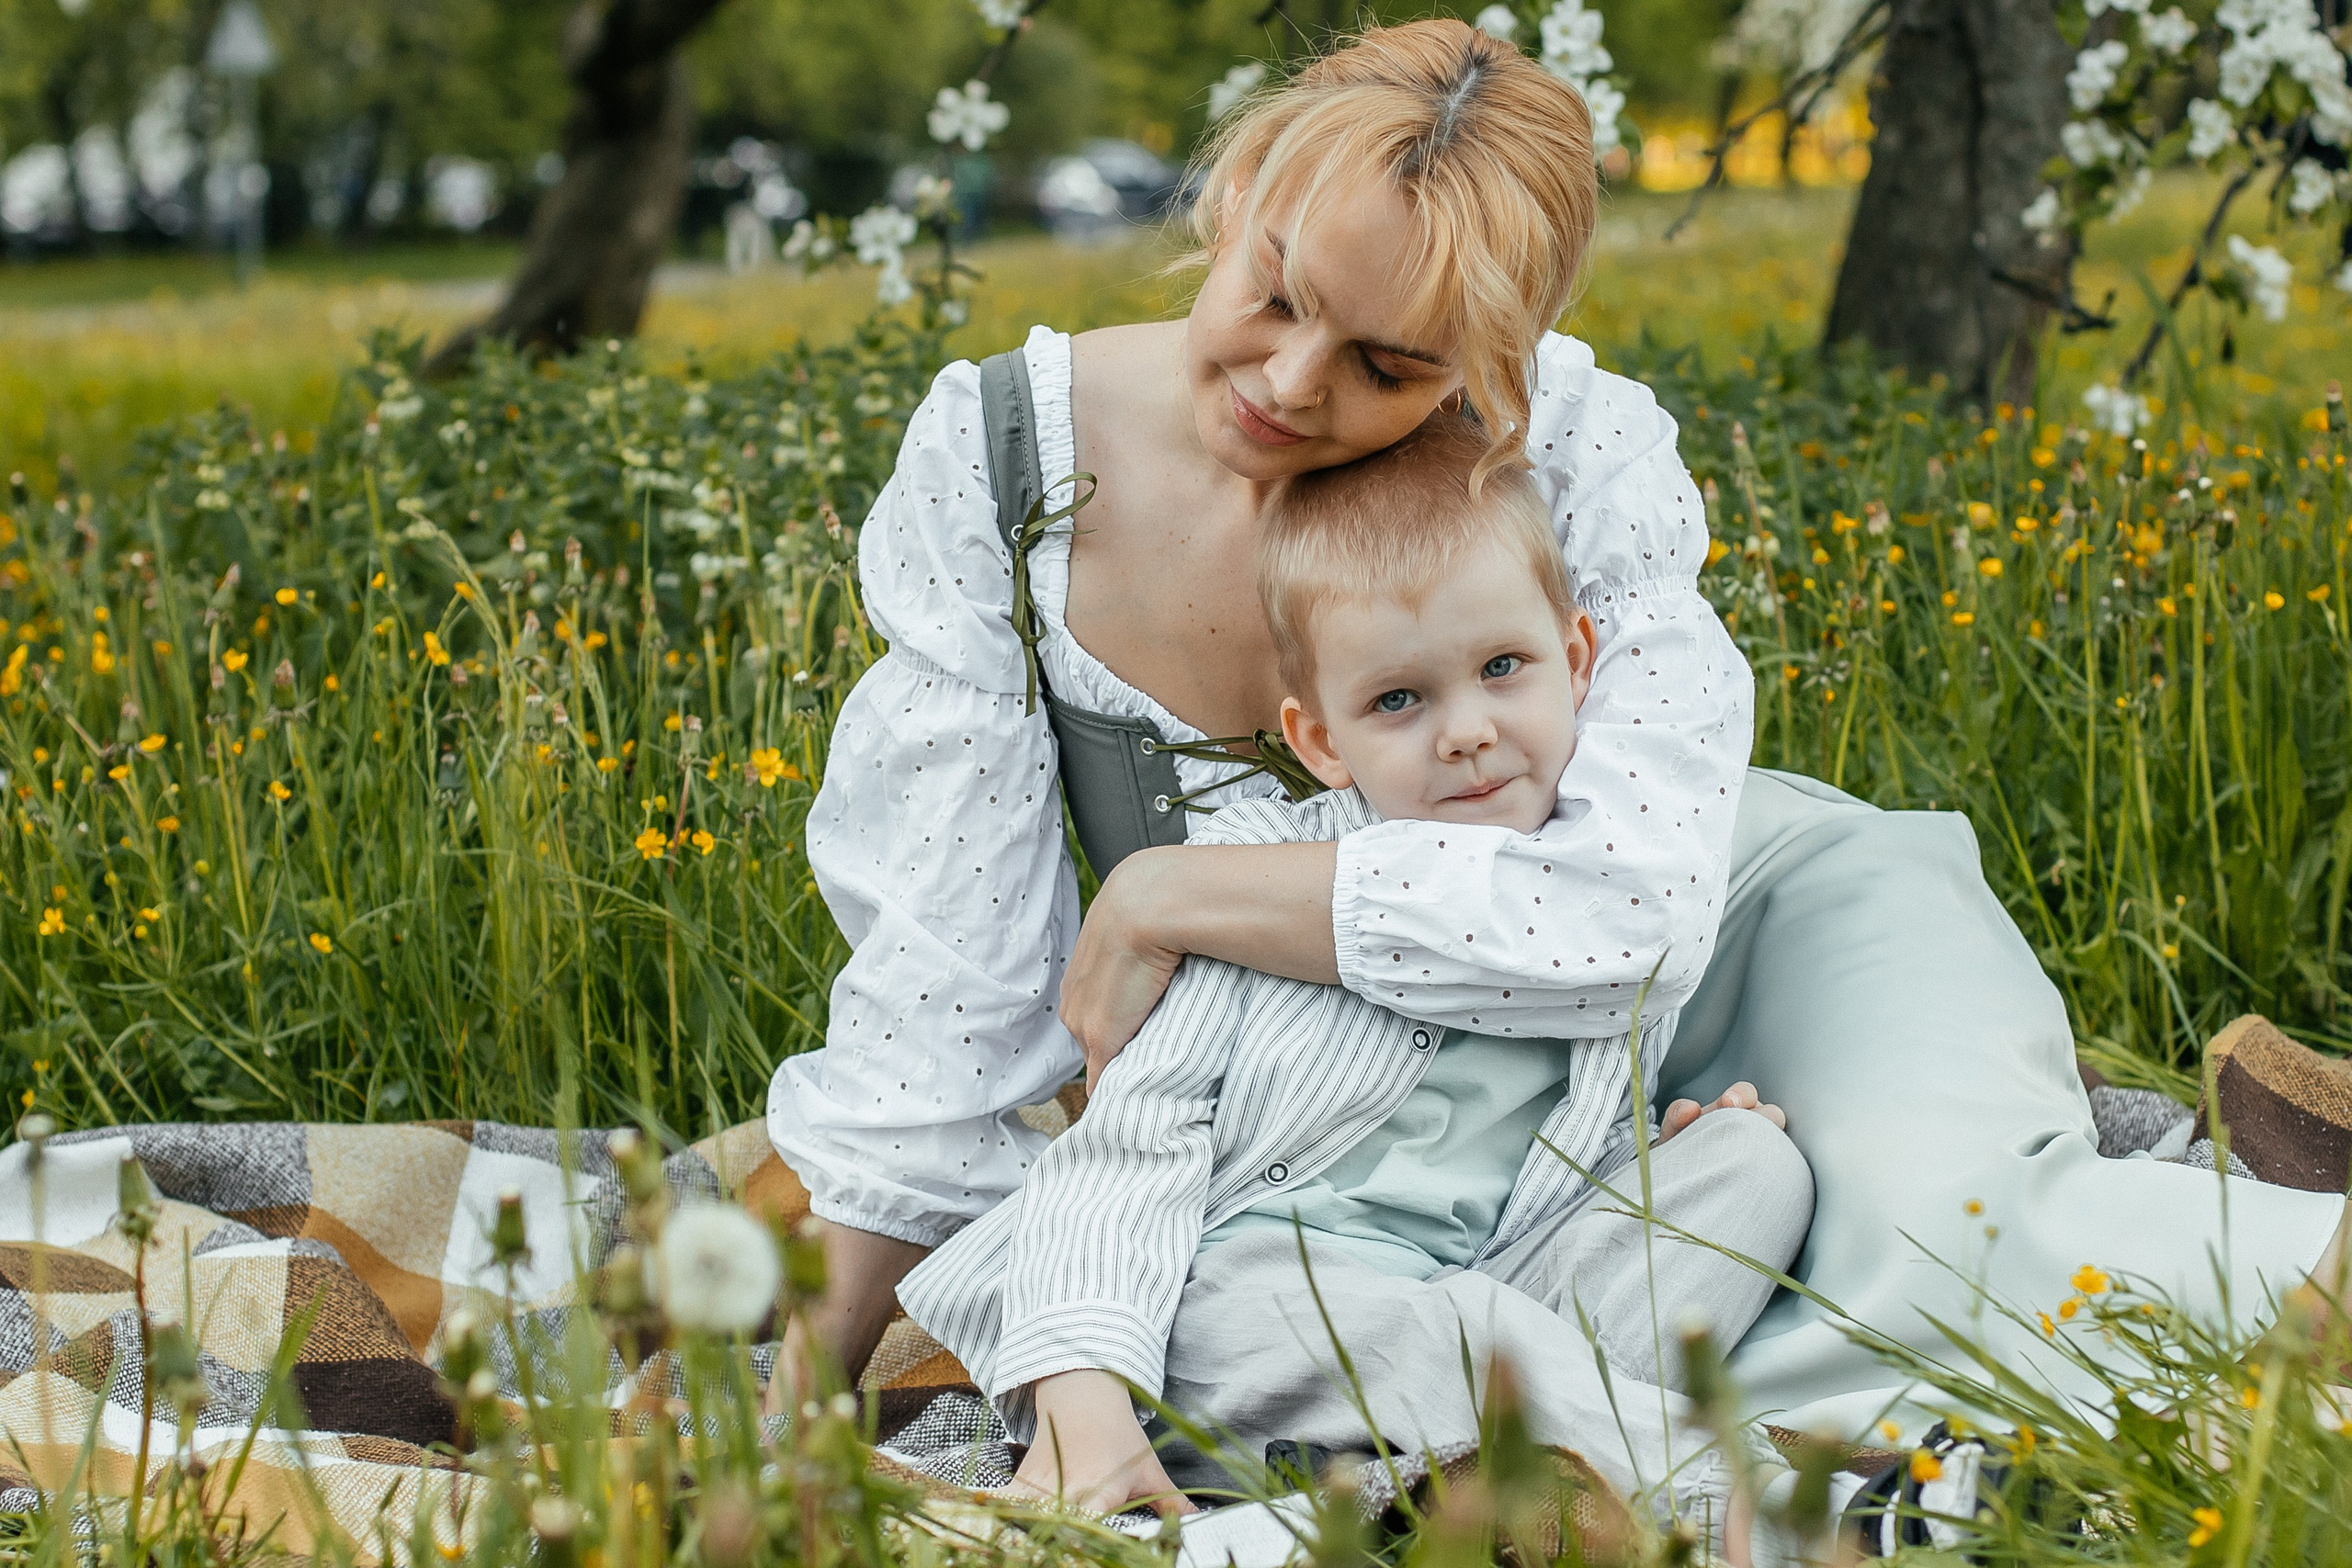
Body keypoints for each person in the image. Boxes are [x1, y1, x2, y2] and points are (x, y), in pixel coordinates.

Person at [768, 14, 2349, 1462]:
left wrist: (1162, 896)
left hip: (1713, 938)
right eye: (1278, 293)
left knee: (1939, 1231)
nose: (1290, 383)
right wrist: (814, 1370)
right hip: (1389, 1117)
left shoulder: (1582, 451)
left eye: (1392, 366)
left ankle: (2293, 1265)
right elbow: (950, 986)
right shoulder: (1001, 462)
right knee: (1397, 1332)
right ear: (1241, 187)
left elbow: (1633, 922)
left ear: (1498, 363)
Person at [895, 416, 1817, 1550]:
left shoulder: (1603, 881)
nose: (1468, 732)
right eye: (1398, 701)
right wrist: (1082, 1390)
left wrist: (1643, 1165)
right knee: (1459, 1336)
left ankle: (1487, 1452)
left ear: (1576, 663)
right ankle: (1751, 1504)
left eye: (1502, 669)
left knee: (1754, 1169)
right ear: (1321, 739)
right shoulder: (1240, 879)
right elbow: (1126, 1152)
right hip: (1233, 1301)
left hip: (1480, 1284)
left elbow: (1518, 1166)